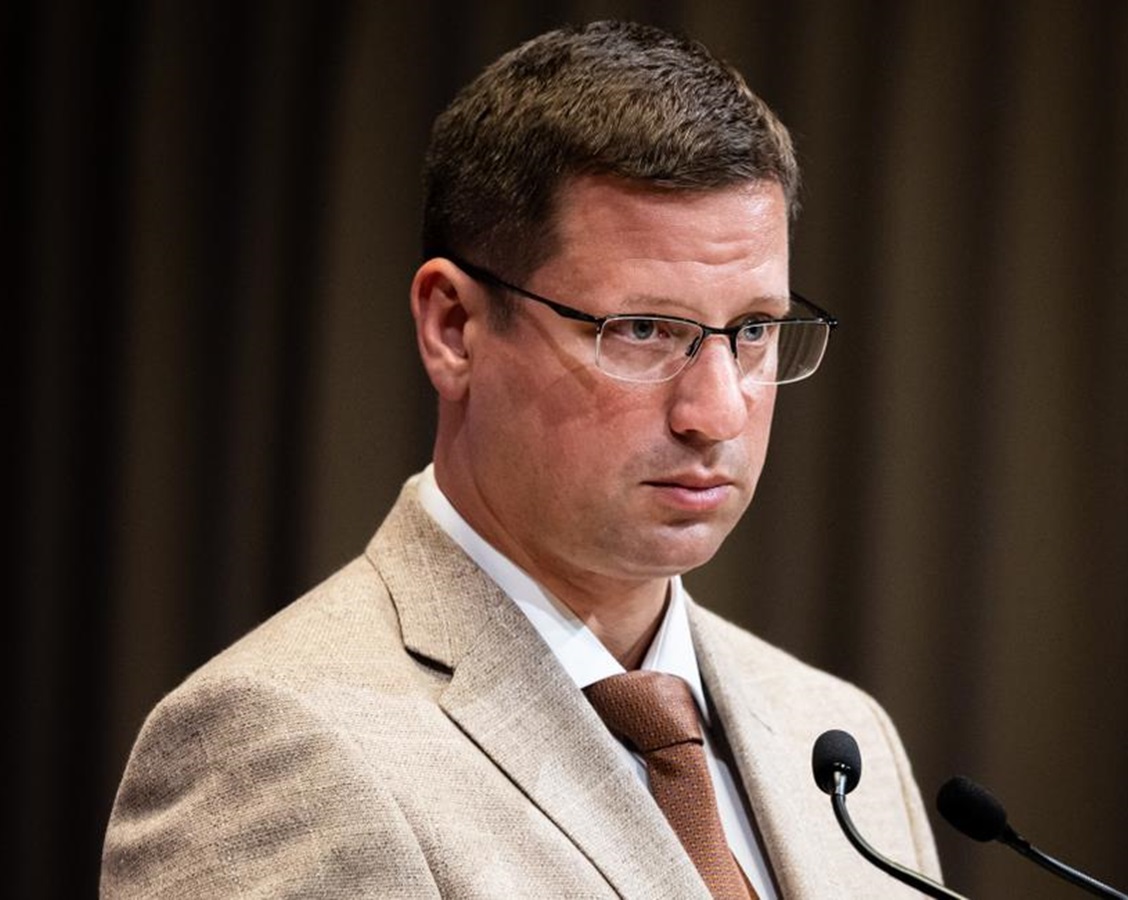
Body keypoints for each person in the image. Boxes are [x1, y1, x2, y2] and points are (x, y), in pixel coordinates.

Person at [102, 20, 940, 898]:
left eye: (754, 331)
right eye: (643, 329)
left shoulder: (842, 739)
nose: (718, 412)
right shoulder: (278, 747)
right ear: (454, 328)